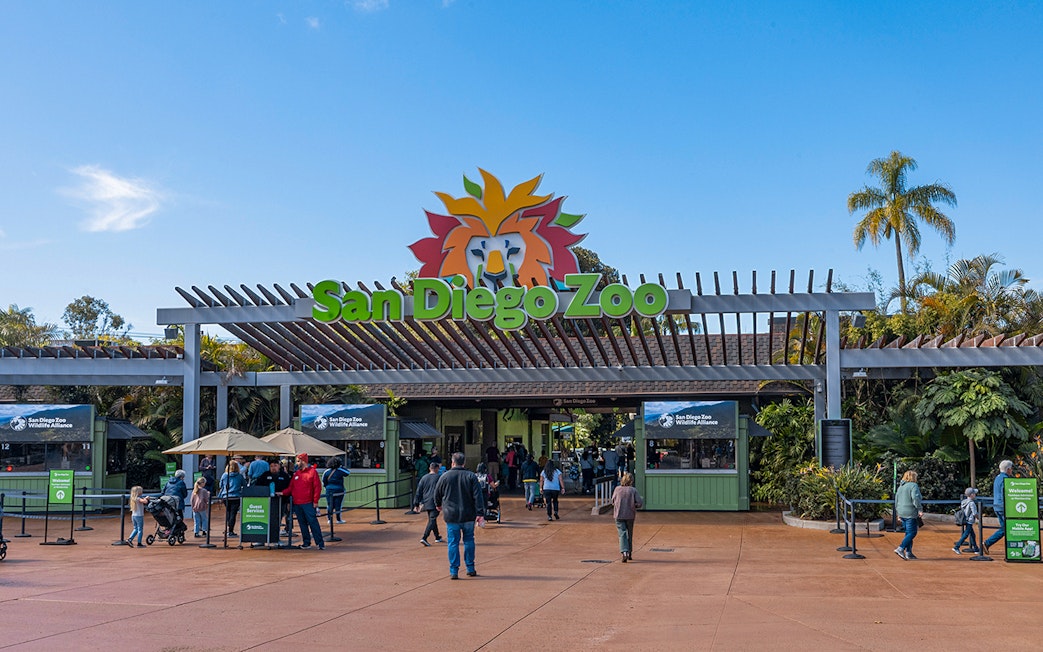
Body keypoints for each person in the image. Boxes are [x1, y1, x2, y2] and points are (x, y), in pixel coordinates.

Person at [434, 452, 486, 579]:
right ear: (464, 463)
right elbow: (478, 496)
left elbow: (437, 493)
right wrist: (480, 513)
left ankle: (454, 570)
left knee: (453, 542)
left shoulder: (444, 476)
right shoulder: (471, 476)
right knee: (469, 540)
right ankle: (470, 567)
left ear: (452, 463)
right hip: (468, 515)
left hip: (451, 515)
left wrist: (438, 505)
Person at [282, 453, 324, 550]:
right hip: (297, 503)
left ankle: (320, 543)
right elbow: (291, 488)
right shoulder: (296, 474)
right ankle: (306, 542)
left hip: (308, 502)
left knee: (313, 522)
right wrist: (282, 493)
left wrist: (315, 501)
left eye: (298, 461)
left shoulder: (312, 472)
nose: (296, 463)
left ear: (303, 461)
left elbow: (317, 487)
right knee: (302, 523)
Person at [983, 460, 1014, 555]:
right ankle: (987, 543)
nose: (1012, 470)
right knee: (1006, 528)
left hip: (997, 506)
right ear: (1008, 469)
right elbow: (1005, 493)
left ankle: (988, 543)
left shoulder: (998, 477)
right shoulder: (1006, 479)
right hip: (1003, 506)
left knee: (1005, 528)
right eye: (1011, 468)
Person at [612, 472, 644, 562]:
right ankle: (629, 552)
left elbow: (613, 501)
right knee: (630, 533)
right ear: (631, 481)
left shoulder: (617, 489)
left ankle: (624, 551)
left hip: (619, 514)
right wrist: (634, 505)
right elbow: (639, 503)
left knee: (622, 533)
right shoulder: (633, 490)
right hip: (630, 515)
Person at [257, 460, 293, 534]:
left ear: (279, 466)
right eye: (271, 466)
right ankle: (266, 534)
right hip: (267, 501)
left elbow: (289, 489)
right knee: (267, 518)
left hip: (281, 501)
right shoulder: (265, 475)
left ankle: (276, 534)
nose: (273, 468)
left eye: (275, 466)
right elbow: (258, 486)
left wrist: (288, 501)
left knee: (278, 517)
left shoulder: (284, 476)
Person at [894, 470, 923, 560]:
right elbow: (915, 498)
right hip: (910, 512)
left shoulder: (901, 487)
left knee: (908, 533)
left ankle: (909, 552)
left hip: (901, 512)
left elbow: (896, 500)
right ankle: (901, 548)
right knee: (912, 532)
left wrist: (898, 513)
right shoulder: (914, 485)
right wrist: (920, 509)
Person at [414, 462, 443, 546]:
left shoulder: (424, 478)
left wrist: (416, 503)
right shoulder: (439, 477)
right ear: (437, 469)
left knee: (432, 519)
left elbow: (419, 491)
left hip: (426, 501)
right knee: (432, 519)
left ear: (429, 468)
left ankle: (437, 536)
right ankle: (424, 537)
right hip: (436, 501)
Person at [218, 460, 244, 537]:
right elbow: (244, 485)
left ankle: (228, 528)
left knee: (228, 512)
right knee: (233, 513)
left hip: (226, 496)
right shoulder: (239, 476)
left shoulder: (224, 475)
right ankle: (231, 530)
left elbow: (220, 485)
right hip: (236, 496)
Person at [322, 457, 350, 524]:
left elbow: (323, 481)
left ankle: (329, 519)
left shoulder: (326, 471)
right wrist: (341, 466)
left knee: (329, 505)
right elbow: (348, 472)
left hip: (329, 490)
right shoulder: (340, 471)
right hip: (339, 490)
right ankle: (338, 519)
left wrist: (326, 487)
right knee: (338, 505)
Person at [953, 487, 979, 555]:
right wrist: (979, 518)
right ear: (971, 495)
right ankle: (957, 547)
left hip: (965, 519)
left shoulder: (964, 502)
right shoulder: (972, 503)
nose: (975, 495)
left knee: (972, 535)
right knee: (966, 534)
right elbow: (974, 513)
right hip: (969, 520)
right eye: (974, 493)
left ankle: (976, 548)